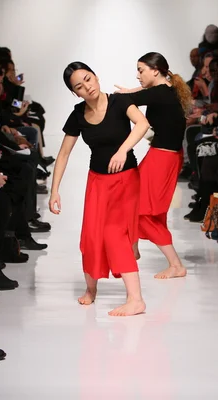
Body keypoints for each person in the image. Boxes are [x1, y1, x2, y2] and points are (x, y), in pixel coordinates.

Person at [49, 62, 150, 316]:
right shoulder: (77, 114)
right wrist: (54, 191)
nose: (87, 87)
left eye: (88, 79)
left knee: (114, 235)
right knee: (91, 236)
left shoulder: (119, 102)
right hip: (97, 181)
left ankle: (136, 299)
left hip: (126, 178)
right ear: (75, 92)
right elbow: (63, 154)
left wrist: (123, 150)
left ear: (96, 76)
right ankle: (91, 290)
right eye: (79, 86)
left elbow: (142, 124)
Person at [114, 52, 192, 279]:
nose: (138, 76)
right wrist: (131, 91)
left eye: (141, 70)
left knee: (141, 210)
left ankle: (175, 264)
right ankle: (134, 249)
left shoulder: (160, 93)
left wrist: (125, 93)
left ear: (155, 70)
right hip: (165, 156)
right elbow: (140, 96)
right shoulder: (166, 91)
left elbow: (125, 101)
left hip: (162, 158)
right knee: (146, 207)